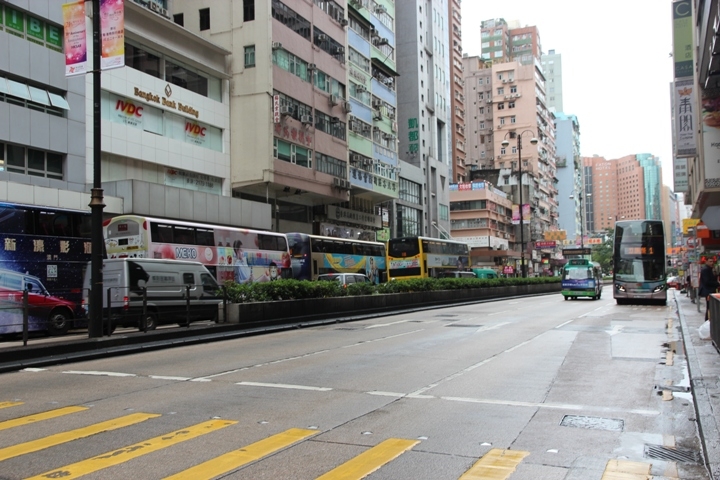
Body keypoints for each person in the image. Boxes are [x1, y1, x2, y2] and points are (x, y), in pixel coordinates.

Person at [698, 257, 720, 322]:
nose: (711, 263)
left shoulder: (711, 269)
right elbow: (707, 281)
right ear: (706, 262)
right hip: (708, 290)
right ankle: (708, 320)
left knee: (711, 307)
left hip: (710, 290)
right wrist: (717, 283)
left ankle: (709, 320)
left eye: (712, 261)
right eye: (710, 261)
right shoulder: (705, 270)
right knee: (709, 307)